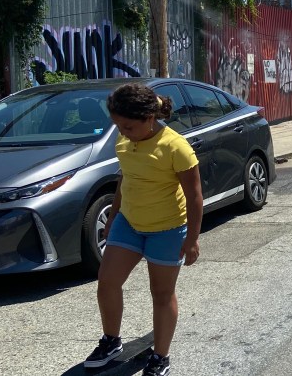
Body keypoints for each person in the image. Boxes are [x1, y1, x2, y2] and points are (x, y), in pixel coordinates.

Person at [84, 83, 203, 376]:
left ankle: (160, 357)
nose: (123, 132)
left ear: (150, 118)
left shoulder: (176, 147)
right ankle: (111, 341)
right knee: (107, 282)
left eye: (128, 126)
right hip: (129, 223)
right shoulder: (124, 142)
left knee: (161, 294)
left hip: (167, 228)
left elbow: (195, 196)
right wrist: (113, 215)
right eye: (118, 126)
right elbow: (127, 179)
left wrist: (192, 240)